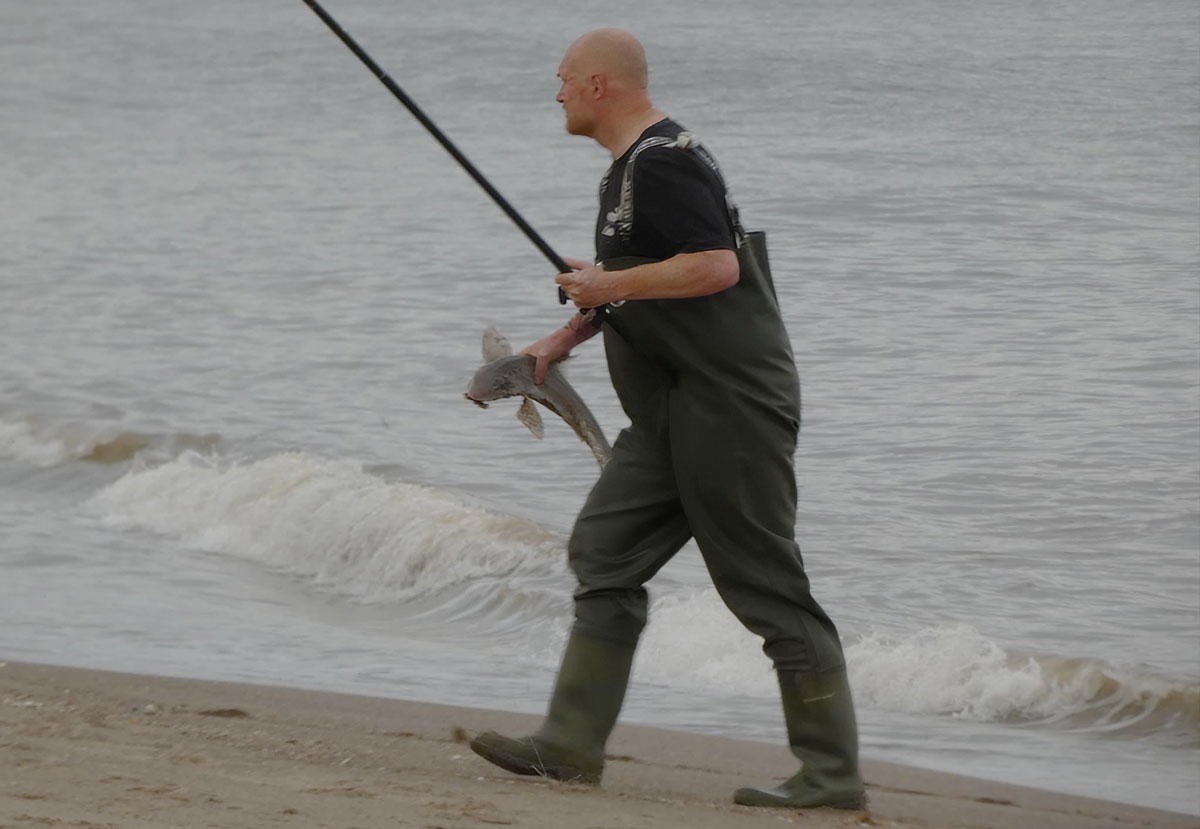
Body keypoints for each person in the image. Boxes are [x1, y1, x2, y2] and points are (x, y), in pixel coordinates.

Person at [468, 28, 865, 811]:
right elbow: (637, 284)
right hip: (667, 410)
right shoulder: (626, 174)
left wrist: (608, 285)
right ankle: (571, 743)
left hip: (730, 407)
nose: (555, 94)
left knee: (765, 585)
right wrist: (561, 335)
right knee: (605, 549)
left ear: (599, 87)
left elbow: (716, 265)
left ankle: (831, 773)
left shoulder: (663, 160)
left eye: (563, 80)